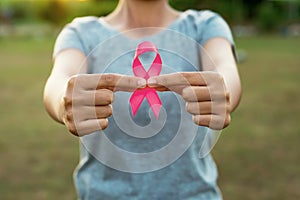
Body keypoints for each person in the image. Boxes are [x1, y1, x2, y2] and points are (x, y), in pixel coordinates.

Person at [43, 0, 241, 199]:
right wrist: (62, 102)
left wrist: (224, 91)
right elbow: (60, 78)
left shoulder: (203, 25)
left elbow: (226, 71)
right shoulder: (82, 33)